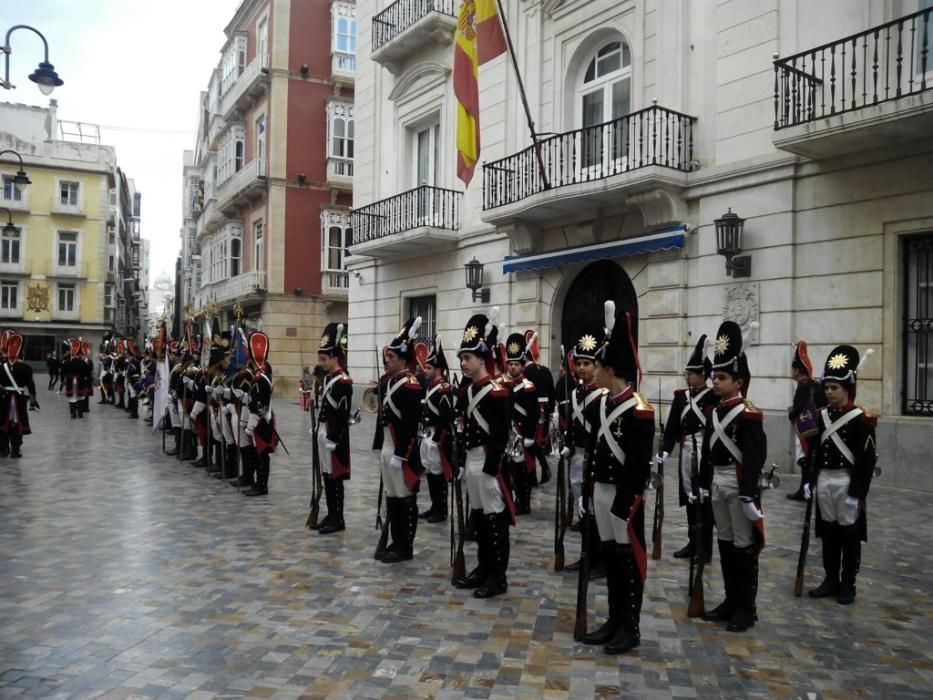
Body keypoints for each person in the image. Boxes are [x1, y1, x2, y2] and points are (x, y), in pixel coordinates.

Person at [580, 302, 654, 655]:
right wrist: (587, 492)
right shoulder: (602, 404)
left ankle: (630, 626)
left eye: (598, 368)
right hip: (602, 492)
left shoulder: (640, 411)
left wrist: (625, 504)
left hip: (625, 498)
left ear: (610, 370)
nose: (593, 373)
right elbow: (595, 450)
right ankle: (613, 619)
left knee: (627, 561)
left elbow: (639, 465)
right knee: (610, 558)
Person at [699, 320, 767, 633]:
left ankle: (745, 607)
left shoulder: (748, 414)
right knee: (725, 543)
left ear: (738, 382)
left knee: (743, 546)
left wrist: (749, 492)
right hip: (717, 482)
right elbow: (707, 453)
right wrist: (702, 484)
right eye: (714, 376)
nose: (715, 382)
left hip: (738, 485)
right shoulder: (714, 412)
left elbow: (755, 457)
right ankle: (729, 599)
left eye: (722, 377)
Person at [808, 345, 877, 605]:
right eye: (826, 387)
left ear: (847, 388)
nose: (828, 392)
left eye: (834, 388)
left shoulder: (862, 419)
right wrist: (808, 480)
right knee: (828, 532)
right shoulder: (821, 416)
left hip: (846, 482)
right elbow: (813, 451)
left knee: (849, 534)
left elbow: (866, 460)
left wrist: (857, 493)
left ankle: (848, 583)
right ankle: (830, 579)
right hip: (825, 479)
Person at [454, 307, 513, 598]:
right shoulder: (467, 391)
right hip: (472, 458)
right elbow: (464, 428)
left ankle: (497, 575)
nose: (463, 364)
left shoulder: (498, 391)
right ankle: (482, 567)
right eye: (462, 358)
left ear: (482, 358)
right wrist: (462, 462)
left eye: (467, 358)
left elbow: (502, 434)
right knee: (478, 518)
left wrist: (492, 468)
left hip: (490, 463)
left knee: (494, 520)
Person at [657, 335, 717, 561]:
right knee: (690, 497)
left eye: (691, 373)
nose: (687, 376)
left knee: (704, 499)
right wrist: (665, 449)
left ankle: (705, 548)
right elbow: (673, 426)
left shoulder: (713, 397)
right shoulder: (681, 397)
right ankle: (693, 542)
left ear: (702, 375)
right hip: (685, 449)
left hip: (704, 449)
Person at [375, 318, 425, 563]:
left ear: (403, 359)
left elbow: (410, 425)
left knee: (405, 499)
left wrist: (401, 454)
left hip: (401, 450)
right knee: (392, 498)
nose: (388, 360)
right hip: (389, 445)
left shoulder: (411, 386)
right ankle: (396, 542)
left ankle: (405, 547)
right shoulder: (391, 381)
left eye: (392, 357)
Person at [561, 323, 607, 577]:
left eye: (586, 363)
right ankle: (585, 554)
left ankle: (598, 560)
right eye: (578, 363)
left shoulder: (602, 395)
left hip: (595, 457)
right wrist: (568, 445)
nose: (580, 368)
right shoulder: (577, 392)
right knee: (581, 507)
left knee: (594, 507)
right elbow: (573, 423)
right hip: (577, 454)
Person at [314, 322, 352, 534]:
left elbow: (342, 414)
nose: (321, 363)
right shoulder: (328, 378)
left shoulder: (343, 382)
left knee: (335, 477)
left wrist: (333, 437)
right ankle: (330, 514)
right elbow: (327, 407)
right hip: (324, 432)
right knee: (327, 476)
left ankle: (338, 518)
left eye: (323, 359)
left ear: (334, 357)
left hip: (334, 437)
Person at [418, 335, 454, 523]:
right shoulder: (430, 386)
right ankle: (434, 506)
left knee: (438, 474)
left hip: (437, 437)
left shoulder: (444, 389)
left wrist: (437, 438)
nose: (426, 370)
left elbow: (446, 416)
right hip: (427, 434)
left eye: (429, 368)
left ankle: (441, 509)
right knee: (430, 472)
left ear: (438, 369)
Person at [503, 332, 539, 516]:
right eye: (510, 364)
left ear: (522, 366)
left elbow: (533, 414)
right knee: (512, 469)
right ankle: (515, 498)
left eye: (516, 364)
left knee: (523, 471)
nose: (513, 367)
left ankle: (524, 503)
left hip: (523, 435)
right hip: (511, 435)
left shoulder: (528, 386)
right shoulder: (506, 384)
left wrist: (530, 437)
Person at [787, 341, 824, 501]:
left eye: (792, 368)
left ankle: (805, 490)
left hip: (807, 428)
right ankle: (806, 489)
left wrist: (791, 414)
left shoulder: (803, 386)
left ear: (797, 370)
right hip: (817, 427)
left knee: (805, 461)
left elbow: (800, 407)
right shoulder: (814, 384)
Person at [521, 330, 554, 485]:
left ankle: (533, 474)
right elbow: (552, 392)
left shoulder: (525, 372)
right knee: (536, 441)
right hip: (545, 410)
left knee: (529, 440)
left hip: (532, 410)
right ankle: (541, 468)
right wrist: (551, 411)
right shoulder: (546, 370)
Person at [245, 332, 276, 496]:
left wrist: (254, 419)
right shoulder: (261, 374)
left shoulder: (260, 378)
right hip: (261, 418)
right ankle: (259, 483)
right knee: (259, 452)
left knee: (262, 453)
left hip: (262, 419)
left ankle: (262, 485)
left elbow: (260, 402)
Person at [0, 332, 38, 458]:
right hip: (18, 399)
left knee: (2, 423)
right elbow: (31, 387)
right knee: (17, 424)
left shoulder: (1, 367)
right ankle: (15, 450)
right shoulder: (26, 367)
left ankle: (4, 449)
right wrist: (33, 400)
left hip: (4, 399)